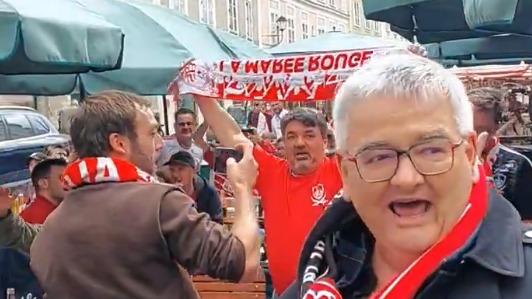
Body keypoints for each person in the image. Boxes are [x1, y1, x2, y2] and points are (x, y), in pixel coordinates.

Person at [280, 54, 532, 299]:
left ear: (468, 156)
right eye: (378, 156)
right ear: (346, 173)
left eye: (431, 150)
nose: (406, 178)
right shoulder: (314, 281)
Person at [0, 90, 260, 299]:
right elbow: (244, 265)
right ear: (119, 143)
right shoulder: (159, 203)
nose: (159, 144)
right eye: (151, 132)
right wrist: (243, 188)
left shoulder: (53, 227)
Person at [171, 89, 342, 295]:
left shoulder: (342, 171)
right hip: (283, 292)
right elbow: (232, 135)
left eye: (309, 135)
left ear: (324, 142)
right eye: (291, 136)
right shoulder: (272, 172)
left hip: (332, 292)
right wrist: (200, 95)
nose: (299, 143)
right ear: (284, 144)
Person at [468, 87, 532, 220]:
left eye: (481, 130)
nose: (474, 137)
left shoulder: (518, 165)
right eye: (468, 129)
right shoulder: (452, 161)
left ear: (496, 126)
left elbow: (527, 220)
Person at [165, 151, 223, 224]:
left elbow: (217, 222)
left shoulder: (209, 193)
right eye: (172, 170)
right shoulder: (167, 193)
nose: (175, 174)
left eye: (181, 169)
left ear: (193, 171)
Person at [19, 159, 67, 224]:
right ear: (44, 183)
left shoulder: (59, 209)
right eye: (63, 178)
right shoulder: (38, 216)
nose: (69, 181)